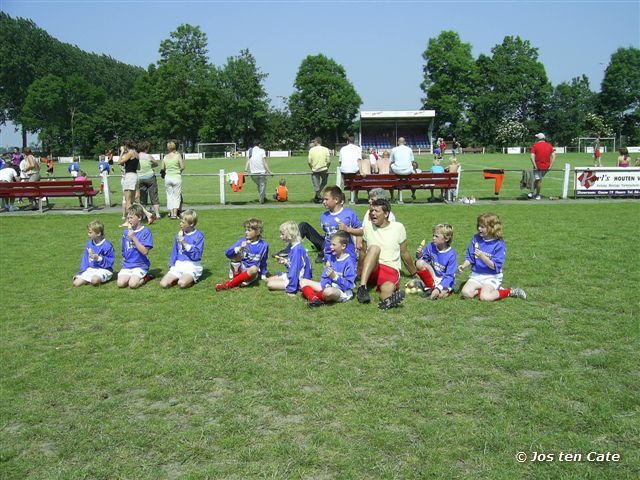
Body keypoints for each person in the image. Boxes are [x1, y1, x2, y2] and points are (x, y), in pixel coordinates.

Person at [356, 199, 417, 310]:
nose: (372, 213)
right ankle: (362, 287)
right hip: (372, 267)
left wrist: (414, 273)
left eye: (376, 211)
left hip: (390, 267)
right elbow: (363, 252)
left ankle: (387, 301)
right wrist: (359, 271)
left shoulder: (398, 227)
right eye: (371, 210)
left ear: (386, 214)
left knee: (389, 287)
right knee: (374, 248)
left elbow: (404, 253)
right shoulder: (368, 227)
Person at [457, 213, 527, 301]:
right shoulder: (476, 238)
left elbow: (495, 267)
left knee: (485, 297)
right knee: (465, 293)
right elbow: (470, 257)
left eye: (483, 227)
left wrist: (483, 257)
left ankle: (509, 291)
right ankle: (481, 290)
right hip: (477, 275)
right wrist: (463, 265)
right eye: (479, 225)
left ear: (492, 228)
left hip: (492, 276)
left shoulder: (499, 244)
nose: (479, 228)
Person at [298, 185, 363, 264]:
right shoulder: (324, 216)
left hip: (347, 254)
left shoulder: (349, 214)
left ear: (336, 199)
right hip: (329, 256)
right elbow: (327, 236)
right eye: (323, 199)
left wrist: (347, 229)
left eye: (326, 199)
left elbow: (361, 231)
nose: (323, 202)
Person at [300, 230, 357, 307]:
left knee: (328, 292)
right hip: (329, 286)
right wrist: (327, 284)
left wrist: (335, 277)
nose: (331, 247)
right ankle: (314, 299)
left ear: (343, 246)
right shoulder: (331, 258)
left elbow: (349, 285)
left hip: (341, 291)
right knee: (303, 281)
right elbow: (324, 276)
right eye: (330, 244)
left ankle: (312, 296)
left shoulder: (349, 263)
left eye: (334, 245)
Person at [215, 218, 269, 291]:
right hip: (240, 267)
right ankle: (231, 283)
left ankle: (231, 283)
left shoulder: (264, 245)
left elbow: (263, 260)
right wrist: (240, 248)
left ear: (257, 232)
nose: (246, 232)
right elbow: (227, 253)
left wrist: (263, 274)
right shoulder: (242, 241)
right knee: (236, 255)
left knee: (254, 268)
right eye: (245, 230)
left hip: (251, 272)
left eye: (249, 230)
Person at [160, 209, 205, 289]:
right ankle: (178, 278)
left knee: (182, 284)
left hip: (192, 266)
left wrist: (184, 243)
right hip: (179, 265)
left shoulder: (199, 236)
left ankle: (192, 280)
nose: (180, 224)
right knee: (163, 284)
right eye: (180, 222)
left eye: (183, 223)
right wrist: (171, 264)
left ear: (191, 224)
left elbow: (197, 256)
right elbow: (175, 251)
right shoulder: (179, 235)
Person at [266, 221, 313, 296]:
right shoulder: (293, 247)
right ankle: (291, 282)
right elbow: (294, 266)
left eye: (282, 234)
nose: (280, 236)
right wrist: (285, 262)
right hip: (294, 276)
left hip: (300, 280)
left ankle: (298, 287)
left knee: (270, 284)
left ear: (290, 234)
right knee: (268, 280)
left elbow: (295, 270)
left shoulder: (297, 250)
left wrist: (291, 289)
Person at [414, 224, 457, 300]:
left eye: (436, 236)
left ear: (446, 239)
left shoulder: (452, 254)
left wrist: (439, 288)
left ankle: (447, 290)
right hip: (433, 274)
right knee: (419, 263)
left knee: (439, 296)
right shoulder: (430, 246)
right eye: (433, 235)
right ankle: (431, 286)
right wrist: (419, 256)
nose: (433, 238)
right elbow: (424, 261)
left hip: (445, 278)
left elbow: (449, 275)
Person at [117, 203, 154, 289]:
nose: (129, 220)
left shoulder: (145, 232)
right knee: (120, 284)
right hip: (127, 264)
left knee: (133, 284)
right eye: (128, 218)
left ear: (140, 217)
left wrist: (133, 237)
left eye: (131, 218)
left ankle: (146, 277)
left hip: (140, 264)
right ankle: (131, 276)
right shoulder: (125, 232)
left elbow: (145, 252)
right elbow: (124, 249)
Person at [72, 220, 115, 287]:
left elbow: (110, 262)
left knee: (95, 281)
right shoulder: (89, 244)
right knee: (76, 283)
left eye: (90, 233)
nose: (88, 234)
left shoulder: (107, 245)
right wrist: (82, 271)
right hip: (91, 269)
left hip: (104, 269)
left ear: (98, 233)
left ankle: (97, 279)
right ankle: (88, 279)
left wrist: (98, 258)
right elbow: (85, 259)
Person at [137, 141, 161, 220]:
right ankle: (157, 214)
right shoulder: (148, 156)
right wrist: (151, 165)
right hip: (150, 177)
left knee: (142, 198)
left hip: (140, 178)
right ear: (146, 148)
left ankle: (143, 215)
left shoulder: (136, 156)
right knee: (154, 196)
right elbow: (156, 164)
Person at [528, 133, 555, 200]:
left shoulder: (535, 145)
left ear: (538, 138)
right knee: (538, 179)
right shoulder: (549, 145)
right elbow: (554, 156)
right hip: (547, 167)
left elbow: (531, 157)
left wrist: (535, 165)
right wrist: (550, 166)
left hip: (538, 166)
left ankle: (537, 195)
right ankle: (531, 192)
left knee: (538, 180)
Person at [162, 140, 184, 219]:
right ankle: (175, 214)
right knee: (176, 196)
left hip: (168, 178)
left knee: (169, 196)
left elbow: (162, 168)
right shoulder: (178, 156)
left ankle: (171, 213)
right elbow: (182, 166)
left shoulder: (165, 157)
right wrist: (179, 170)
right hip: (176, 177)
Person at [118, 139, 139, 213]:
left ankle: (129, 219)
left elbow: (119, 162)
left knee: (128, 200)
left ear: (126, 145)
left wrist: (122, 152)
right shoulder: (136, 153)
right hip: (135, 175)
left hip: (129, 176)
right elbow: (138, 167)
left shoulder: (130, 153)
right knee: (132, 200)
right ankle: (133, 217)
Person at [308, 137, 331, 203]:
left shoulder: (311, 150)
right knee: (324, 182)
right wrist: (327, 168)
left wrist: (312, 168)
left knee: (316, 185)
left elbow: (309, 162)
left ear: (317, 142)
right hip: (324, 169)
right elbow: (329, 161)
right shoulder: (326, 149)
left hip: (315, 170)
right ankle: (318, 196)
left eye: (314, 141)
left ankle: (318, 196)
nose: (313, 143)